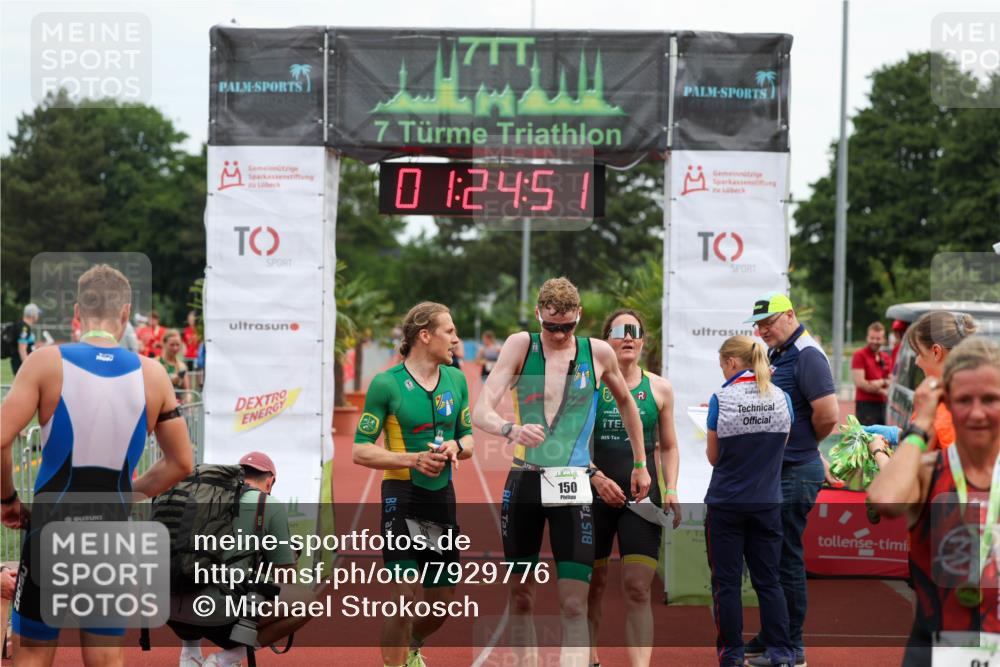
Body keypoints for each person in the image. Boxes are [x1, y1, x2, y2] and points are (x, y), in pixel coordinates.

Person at [0, 263, 194, 667]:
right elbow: (181, 463)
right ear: (125, 314)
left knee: (32, 657)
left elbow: (2, 440)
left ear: (76, 312)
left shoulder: (44, 362)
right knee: (106, 658)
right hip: (110, 534)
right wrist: (126, 493)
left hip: (50, 529)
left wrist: (8, 500)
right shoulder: (154, 374)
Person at [473, 277, 652, 667]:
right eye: (551, 326)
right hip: (525, 480)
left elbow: (628, 405)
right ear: (538, 314)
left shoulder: (598, 352)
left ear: (579, 318)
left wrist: (640, 462)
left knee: (574, 603)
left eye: (566, 326)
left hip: (571, 483)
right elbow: (480, 409)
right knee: (521, 597)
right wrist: (509, 429)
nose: (558, 334)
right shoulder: (522, 345)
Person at [352, 302, 475, 667]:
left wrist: (457, 446)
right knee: (404, 596)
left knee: (441, 603)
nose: (456, 338)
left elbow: (469, 440)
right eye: (449, 331)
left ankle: (411, 647)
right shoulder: (386, 384)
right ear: (425, 335)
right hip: (402, 497)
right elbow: (360, 451)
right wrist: (412, 459)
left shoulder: (456, 379)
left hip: (441, 498)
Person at [867, 336, 1000, 667]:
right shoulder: (931, 472)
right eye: (964, 399)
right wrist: (922, 423)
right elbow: (885, 499)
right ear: (946, 402)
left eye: (990, 399)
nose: (978, 412)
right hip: (938, 649)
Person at [741, 292, 839, 666]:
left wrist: (802, 445)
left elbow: (827, 415)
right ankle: (774, 634)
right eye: (758, 325)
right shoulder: (781, 353)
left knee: (785, 559)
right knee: (770, 558)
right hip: (778, 470)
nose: (762, 330)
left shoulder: (808, 355)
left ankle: (791, 648)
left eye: (768, 323)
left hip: (795, 470)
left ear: (790, 316)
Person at [587, 309, 681, 667]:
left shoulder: (659, 388)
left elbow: (669, 446)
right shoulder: (590, 387)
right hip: (592, 496)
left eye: (634, 332)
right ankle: (590, 660)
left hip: (641, 500)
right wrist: (595, 476)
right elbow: (570, 444)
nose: (628, 338)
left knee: (639, 588)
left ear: (643, 340)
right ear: (605, 341)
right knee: (592, 588)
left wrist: (670, 488)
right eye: (619, 331)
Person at [169, 451, 316, 667]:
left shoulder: (200, 495)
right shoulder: (267, 504)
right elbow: (285, 577)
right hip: (219, 616)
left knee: (193, 566)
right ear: (270, 481)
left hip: (170, 609)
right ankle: (227, 659)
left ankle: (190, 654)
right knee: (306, 603)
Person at [705, 336, 795, 667]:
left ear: (731, 362)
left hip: (726, 504)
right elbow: (781, 447)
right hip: (767, 502)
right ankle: (783, 655)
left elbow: (714, 458)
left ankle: (731, 656)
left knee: (726, 585)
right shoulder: (782, 397)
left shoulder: (720, 398)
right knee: (769, 581)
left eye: (721, 364)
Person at [864, 311, 978, 452]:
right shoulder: (972, 394)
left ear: (936, 352)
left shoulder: (940, 407)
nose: (917, 362)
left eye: (918, 353)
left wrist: (878, 450)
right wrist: (901, 435)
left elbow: (909, 471)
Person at [851, 322, 891, 425]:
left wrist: (879, 382)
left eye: (878, 338)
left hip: (882, 405)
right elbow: (860, 383)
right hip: (866, 405)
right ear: (867, 337)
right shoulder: (859, 355)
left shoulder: (885, 357)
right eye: (872, 338)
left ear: (883, 339)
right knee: (867, 438)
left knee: (882, 438)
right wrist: (883, 387)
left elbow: (891, 381)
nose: (874, 341)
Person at [10, 303, 42, 376]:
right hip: (20, 363)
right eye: (37, 314)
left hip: (22, 363)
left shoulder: (24, 326)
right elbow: (22, 349)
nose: (38, 316)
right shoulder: (24, 328)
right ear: (33, 315)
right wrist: (27, 365)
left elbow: (26, 345)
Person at [160, 330, 191, 398]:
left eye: (177, 345)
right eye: (172, 345)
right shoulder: (157, 363)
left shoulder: (182, 366)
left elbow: (187, 391)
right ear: (164, 343)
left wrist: (188, 398)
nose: (175, 348)